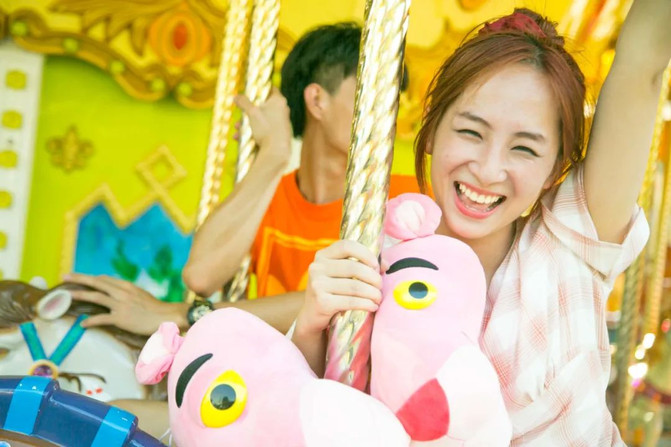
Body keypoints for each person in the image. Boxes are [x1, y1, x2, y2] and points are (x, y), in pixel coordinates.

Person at [291, 3, 671, 445]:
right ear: (431, 129)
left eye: (524, 149)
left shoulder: (573, 239)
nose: (489, 170)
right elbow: (311, 409)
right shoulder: (382, 256)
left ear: (554, 168)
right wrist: (311, 325)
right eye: (471, 132)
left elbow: (643, 60)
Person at [65, 22, 417, 337]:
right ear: (317, 100)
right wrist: (272, 157)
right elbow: (200, 276)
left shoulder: (408, 201)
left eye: (393, 101)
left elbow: (341, 297)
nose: (390, 115)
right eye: (374, 95)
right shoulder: (270, 197)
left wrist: (181, 314)